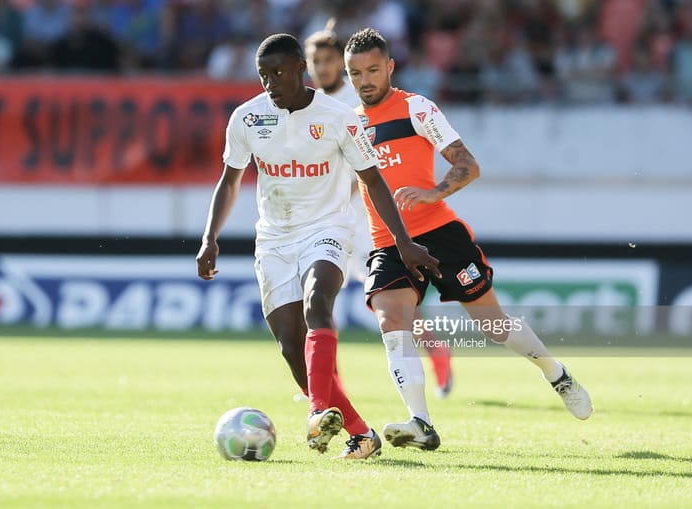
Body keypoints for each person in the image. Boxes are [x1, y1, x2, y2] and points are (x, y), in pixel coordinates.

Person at [343, 27, 593, 451]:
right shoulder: (348, 124)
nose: (364, 80)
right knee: (391, 320)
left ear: (389, 67)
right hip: (388, 243)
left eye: (371, 70)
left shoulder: (416, 109)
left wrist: (433, 192)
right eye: (354, 73)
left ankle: (555, 372)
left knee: (494, 326)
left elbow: (468, 164)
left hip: (440, 235)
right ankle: (420, 421)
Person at [196, 33, 440, 460]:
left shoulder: (340, 117)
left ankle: (316, 411)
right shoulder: (247, 118)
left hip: (327, 229)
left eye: (279, 73)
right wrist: (209, 237)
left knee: (317, 302)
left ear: (299, 70)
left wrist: (403, 241)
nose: (270, 83)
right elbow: (230, 180)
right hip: (273, 238)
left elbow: (374, 181)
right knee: (292, 347)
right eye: (263, 75)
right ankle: (361, 434)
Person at [305, 23, 456, 398]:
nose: (322, 69)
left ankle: (437, 353)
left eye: (328, 61)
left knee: (387, 302)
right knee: (318, 300)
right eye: (315, 62)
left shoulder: (352, 101)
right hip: (330, 217)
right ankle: (325, 387)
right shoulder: (308, 105)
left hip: (365, 217)